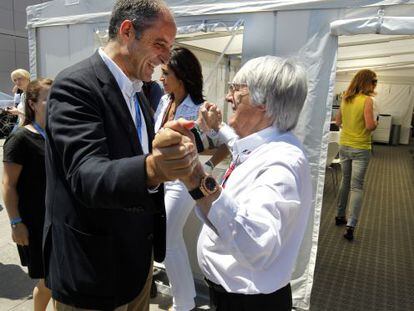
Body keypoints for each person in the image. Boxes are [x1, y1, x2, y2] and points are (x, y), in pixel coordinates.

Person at [43, 1, 196, 310]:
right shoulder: (75, 85)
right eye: (159, 44)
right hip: (93, 273)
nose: (166, 57)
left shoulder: (139, 91)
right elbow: (87, 176)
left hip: (136, 267)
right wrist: (154, 166)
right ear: (127, 31)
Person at [154, 56, 312, 311]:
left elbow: (256, 245)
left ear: (263, 102)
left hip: (249, 303)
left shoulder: (282, 162)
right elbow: (241, 151)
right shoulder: (269, 145)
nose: (229, 98)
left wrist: (194, 175)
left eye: (237, 90)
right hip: (235, 297)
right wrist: (218, 128)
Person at [153, 46, 206, 311]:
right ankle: (186, 300)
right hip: (159, 179)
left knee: (167, 239)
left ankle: (184, 303)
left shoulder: (199, 108)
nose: (161, 78)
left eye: (165, 73)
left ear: (181, 75)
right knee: (172, 240)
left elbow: (212, 144)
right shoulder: (164, 102)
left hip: (182, 182)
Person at [2, 78, 53, 311]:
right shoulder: (20, 139)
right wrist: (15, 223)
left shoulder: (56, 134)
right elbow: (8, 185)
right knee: (49, 281)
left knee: (56, 280)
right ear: (32, 104)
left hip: (59, 219)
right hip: (35, 222)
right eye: (48, 98)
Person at [335, 69, 378, 241]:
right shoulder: (367, 100)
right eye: (374, 82)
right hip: (360, 147)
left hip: (344, 145)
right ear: (367, 82)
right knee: (357, 186)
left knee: (345, 181)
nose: (375, 85)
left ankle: (339, 215)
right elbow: (369, 126)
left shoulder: (345, 97)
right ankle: (350, 225)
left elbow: (338, 122)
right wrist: (376, 123)